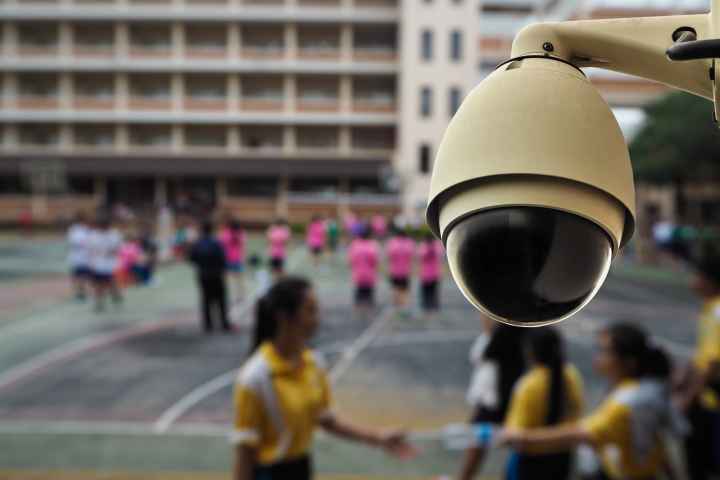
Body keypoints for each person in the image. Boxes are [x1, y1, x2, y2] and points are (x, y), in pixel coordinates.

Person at [232, 277, 416, 480]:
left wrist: (378, 437)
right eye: (310, 310)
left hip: (301, 468)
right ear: (284, 317)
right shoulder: (255, 378)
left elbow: (326, 420)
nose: (317, 318)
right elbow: (245, 453)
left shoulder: (313, 364)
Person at [501, 323, 685, 480]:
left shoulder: (626, 402)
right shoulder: (639, 389)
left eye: (604, 351)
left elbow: (580, 434)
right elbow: (657, 444)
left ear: (628, 362)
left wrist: (521, 438)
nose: (598, 356)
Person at [502, 327, 584, 480]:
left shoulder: (529, 384)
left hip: (530, 462)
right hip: (563, 459)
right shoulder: (572, 375)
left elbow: (515, 434)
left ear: (530, 351)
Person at [458, 317, 527, 480]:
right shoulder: (501, 334)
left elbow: (486, 354)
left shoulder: (504, 333)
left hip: (496, 401)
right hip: (496, 399)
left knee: (477, 446)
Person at [674, 243, 720, 480]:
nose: (693, 281)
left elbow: (713, 365)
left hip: (711, 402)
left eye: (697, 275)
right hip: (706, 398)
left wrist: (687, 398)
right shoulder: (710, 307)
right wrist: (685, 373)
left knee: (700, 464)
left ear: (710, 280)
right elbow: (704, 355)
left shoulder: (716, 311)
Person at [189, 221, 233, 333]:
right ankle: (224, 323)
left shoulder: (197, 243)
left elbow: (192, 258)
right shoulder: (216, 242)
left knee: (206, 299)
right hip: (216, 274)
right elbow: (222, 258)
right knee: (221, 299)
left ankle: (208, 325)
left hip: (203, 274)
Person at [88, 215, 123, 312]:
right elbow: (90, 250)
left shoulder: (114, 234)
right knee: (98, 284)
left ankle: (115, 295)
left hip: (110, 264)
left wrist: (109, 251)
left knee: (111, 282)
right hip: (97, 264)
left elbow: (117, 248)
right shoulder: (93, 235)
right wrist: (91, 263)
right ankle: (99, 302)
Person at [348, 227, 380, 312]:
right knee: (369, 295)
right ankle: (368, 311)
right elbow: (375, 261)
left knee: (359, 293)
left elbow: (351, 260)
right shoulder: (373, 246)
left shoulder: (354, 245)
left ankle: (358, 311)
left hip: (358, 274)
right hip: (370, 274)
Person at [386, 225, 415, 309]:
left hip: (394, 271)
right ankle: (403, 307)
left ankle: (396, 306)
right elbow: (412, 257)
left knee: (395, 289)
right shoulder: (409, 243)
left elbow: (389, 256)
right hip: (405, 271)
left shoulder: (392, 243)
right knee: (404, 291)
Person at [67, 212, 92, 301]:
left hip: (84, 256)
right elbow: (73, 242)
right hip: (77, 256)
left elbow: (90, 241)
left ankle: (82, 291)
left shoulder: (87, 229)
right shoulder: (74, 230)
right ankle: (79, 292)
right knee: (77, 275)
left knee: (83, 276)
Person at [220, 219, 247, 302]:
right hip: (237, 259)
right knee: (239, 280)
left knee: (226, 280)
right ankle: (241, 296)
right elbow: (243, 245)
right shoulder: (241, 233)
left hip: (228, 259)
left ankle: (228, 295)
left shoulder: (226, 233)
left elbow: (221, 245)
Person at [418, 232, 444, 313]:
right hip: (431, 274)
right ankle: (429, 306)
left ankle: (432, 306)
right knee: (430, 291)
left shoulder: (426, 246)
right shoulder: (434, 246)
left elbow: (420, 255)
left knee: (431, 291)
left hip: (429, 274)